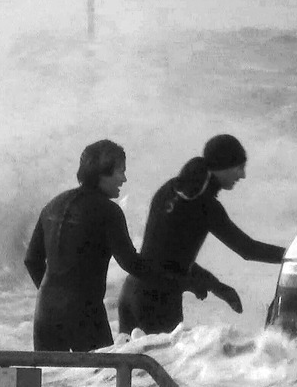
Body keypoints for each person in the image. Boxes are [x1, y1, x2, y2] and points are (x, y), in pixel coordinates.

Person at [24, 139, 207, 352]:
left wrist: (53, 297)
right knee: (104, 377)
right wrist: (184, 283)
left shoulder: (52, 206)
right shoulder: (107, 211)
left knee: (52, 382)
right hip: (85, 313)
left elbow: (31, 260)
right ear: (103, 173)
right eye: (120, 171)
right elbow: (132, 265)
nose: (124, 178)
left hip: (45, 313)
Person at [117, 134, 287, 335]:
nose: (242, 175)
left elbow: (166, 254)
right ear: (222, 166)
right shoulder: (205, 205)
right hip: (157, 301)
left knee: (126, 364)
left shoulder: (169, 188)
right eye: (239, 167)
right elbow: (247, 249)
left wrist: (217, 287)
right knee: (158, 366)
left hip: (131, 292)